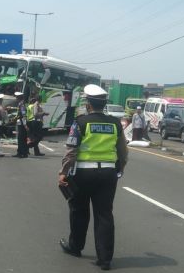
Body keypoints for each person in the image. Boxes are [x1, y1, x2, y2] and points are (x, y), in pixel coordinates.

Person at [58, 84, 128, 271]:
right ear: (104, 104)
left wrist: (63, 172)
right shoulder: (115, 123)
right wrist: (119, 168)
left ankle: (75, 247)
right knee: (104, 214)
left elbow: (71, 151)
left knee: (79, 211)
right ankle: (104, 259)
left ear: (88, 104)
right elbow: (123, 151)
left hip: (83, 173)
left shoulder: (80, 122)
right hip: (108, 174)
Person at [13, 92, 29, 158]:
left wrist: (25, 125)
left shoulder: (22, 104)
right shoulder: (20, 103)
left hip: (22, 123)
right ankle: (19, 152)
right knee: (20, 138)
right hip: (20, 122)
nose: (15, 98)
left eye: (16, 97)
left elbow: (24, 115)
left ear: (19, 97)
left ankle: (23, 153)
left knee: (22, 138)